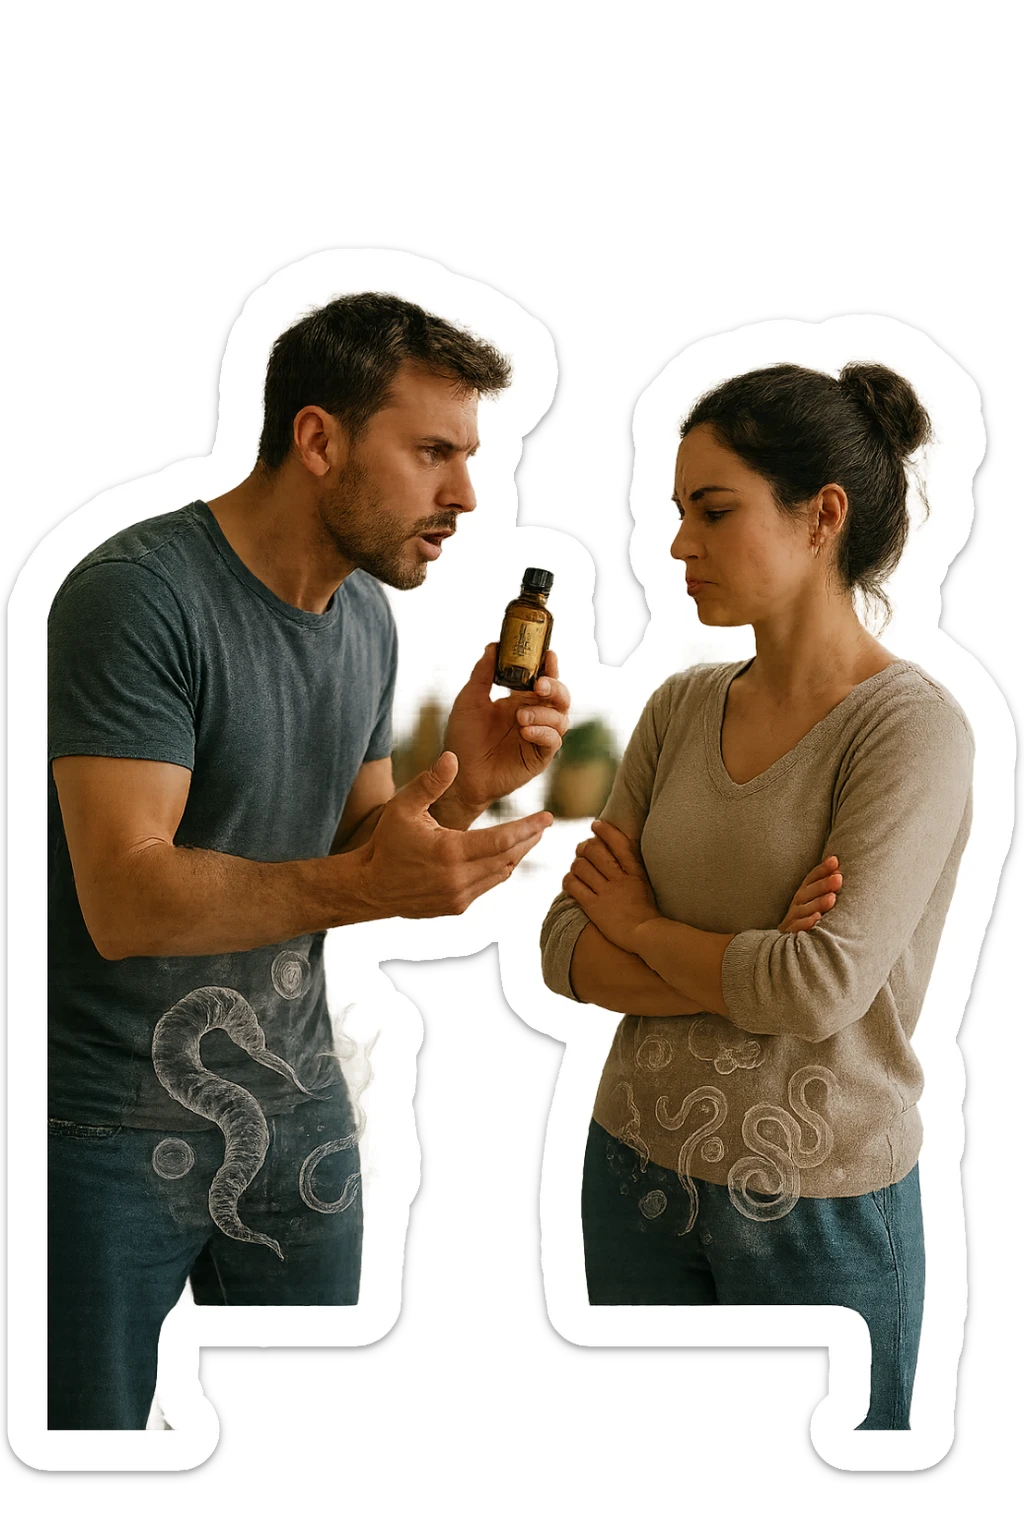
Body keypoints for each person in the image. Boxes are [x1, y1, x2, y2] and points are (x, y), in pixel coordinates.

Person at [48, 291, 570, 1429]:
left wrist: (464, 782)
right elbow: (124, 896)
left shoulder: (360, 620)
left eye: (468, 457)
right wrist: (361, 881)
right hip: (105, 1130)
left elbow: (355, 847)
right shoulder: (137, 596)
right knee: (90, 1444)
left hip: (300, 1113)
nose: (464, 495)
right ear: (318, 437)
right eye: (432, 451)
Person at [540, 360, 974, 1431]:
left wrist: (640, 927)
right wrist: (747, 970)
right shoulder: (678, 707)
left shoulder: (908, 730)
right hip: (630, 1169)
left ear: (822, 515)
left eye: (713, 510)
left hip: (820, 1208)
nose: (678, 544)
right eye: (678, 511)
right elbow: (559, 946)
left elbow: (818, 989)